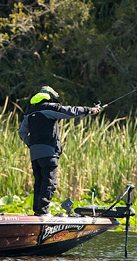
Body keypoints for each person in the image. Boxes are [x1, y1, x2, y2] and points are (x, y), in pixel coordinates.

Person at [18, 86, 100, 216]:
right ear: (49, 97)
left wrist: (33, 144)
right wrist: (90, 110)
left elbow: (22, 132)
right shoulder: (49, 108)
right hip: (48, 152)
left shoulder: (30, 113)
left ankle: (38, 211)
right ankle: (43, 212)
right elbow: (69, 111)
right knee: (49, 181)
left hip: (35, 154)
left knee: (39, 181)